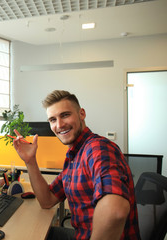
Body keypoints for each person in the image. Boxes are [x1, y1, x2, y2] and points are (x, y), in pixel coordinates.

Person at [12, 90, 140, 240]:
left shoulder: (98, 149)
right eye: (52, 120)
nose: (59, 125)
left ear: (82, 114)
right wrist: (30, 161)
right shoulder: (74, 156)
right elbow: (47, 200)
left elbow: (115, 212)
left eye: (65, 115)